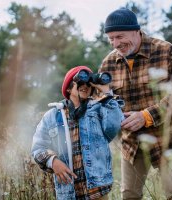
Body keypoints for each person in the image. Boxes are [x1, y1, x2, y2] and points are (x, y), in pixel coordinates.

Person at [99, 8, 172, 199]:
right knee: (129, 196)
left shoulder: (165, 51)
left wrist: (146, 116)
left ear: (136, 30)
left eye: (119, 37)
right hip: (132, 144)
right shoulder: (108, 64)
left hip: (168, 140)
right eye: (111, 39)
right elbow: (103, 103)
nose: (115, 44)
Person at [31, 66, 124, 200]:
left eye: (88, 82)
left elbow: (114, 126)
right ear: (68, 88)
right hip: (68, 192)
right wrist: (53, 161)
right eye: (80, 81)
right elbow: (37, 148)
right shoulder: (51, 116)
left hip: (97, 190)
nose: (85, 85)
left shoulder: (100, 109)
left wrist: (107, 93)